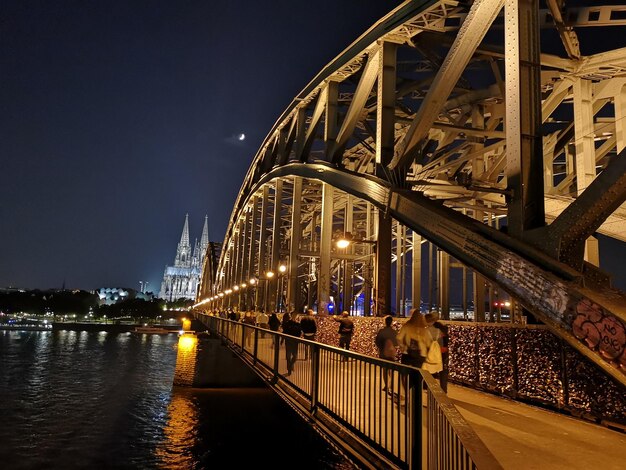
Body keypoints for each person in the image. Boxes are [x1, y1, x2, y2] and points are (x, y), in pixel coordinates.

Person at [425, 311, 448, 392]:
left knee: (429, 370)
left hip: (431, 353)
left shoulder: (427, 329)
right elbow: (444, 342)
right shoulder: (443, 328)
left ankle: (430, 388)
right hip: (442, 352)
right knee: (443, 371)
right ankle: (444, 389)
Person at [375, 315, 398, 393]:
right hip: (391, 353)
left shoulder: (381, 331)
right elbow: (396, 343)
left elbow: (377, 341)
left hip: (383, 352)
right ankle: (390, 385)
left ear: (385, 322)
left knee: (385, 370)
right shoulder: (394, 332)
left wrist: (381, 347)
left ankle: (386, 385)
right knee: (391, 370)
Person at [281, 311, 302, 376]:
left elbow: (300, 332)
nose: (295, 317)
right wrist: (282, 339)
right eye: (293, 315)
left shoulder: (298, 324)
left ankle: (290, 365)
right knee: (288, 356)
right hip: (289, 341)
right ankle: (289, 370)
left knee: (295, 356)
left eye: (296, 315)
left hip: (295, 342)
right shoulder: (287, 324)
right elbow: (284, 331)